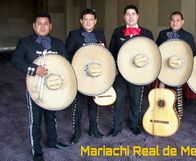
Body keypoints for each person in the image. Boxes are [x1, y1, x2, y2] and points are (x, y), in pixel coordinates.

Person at [11, 12, 68, 161]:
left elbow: (66, 63)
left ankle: (52, 141)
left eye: (46, 24)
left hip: (54, 86)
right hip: (35, 87)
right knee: (35, 120)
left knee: (51, 116)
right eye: (39, 24)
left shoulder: (58, 42)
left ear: (50, 26)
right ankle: (37, 151)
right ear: (34, 26)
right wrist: (34, 69)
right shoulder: (25, 42)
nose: (42, 27)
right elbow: (15, 59)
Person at [108, 4, 154, 137]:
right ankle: (116, 127)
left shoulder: (147, 33)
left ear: (138, 16)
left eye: (133, 14)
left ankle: (134, 125)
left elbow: (152, 55)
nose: (130, 16)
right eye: (128, 14)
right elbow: (112, 52)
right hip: (120, 74)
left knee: (136, 101)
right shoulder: (117, 32)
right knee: (118, 101)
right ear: (124, 17)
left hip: (138, 75)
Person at [66, 9, 106, 143]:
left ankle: (93, 129)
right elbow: (67, 54)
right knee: (78, 105)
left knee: (94, 103)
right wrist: (81, 58)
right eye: (85, 19)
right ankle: (76, 133)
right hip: (80, 76)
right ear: (81, 21)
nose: (88, 22)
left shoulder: (100, 34)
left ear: (95, 21)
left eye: (91, 19)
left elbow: (104, 55)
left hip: (95, 76)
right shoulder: (74, 34)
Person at [156, 11, 196, 119]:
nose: (175, 22)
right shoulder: (162, 34)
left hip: (178, 70)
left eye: (177, 20)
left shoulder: (188, 36)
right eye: (172, 20)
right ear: (170, 21)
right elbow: (156, 50)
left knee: (176, 94)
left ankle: (177, 117)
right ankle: (162, 114)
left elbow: (192, 54)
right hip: (163, 68)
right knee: (162, 93)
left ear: (182, 22)